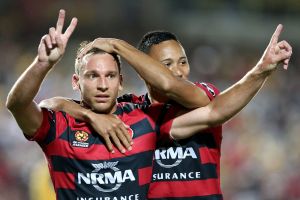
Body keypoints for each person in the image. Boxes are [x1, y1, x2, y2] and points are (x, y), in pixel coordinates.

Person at [42, 24, 292, 200]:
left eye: (183, 61)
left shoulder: (201, 97)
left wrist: (262, 69)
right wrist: (90, 115)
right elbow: (49, 105)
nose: (179, 71)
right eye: (167, 65)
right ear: (146, 69)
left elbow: (173, 87)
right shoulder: (137, 110)